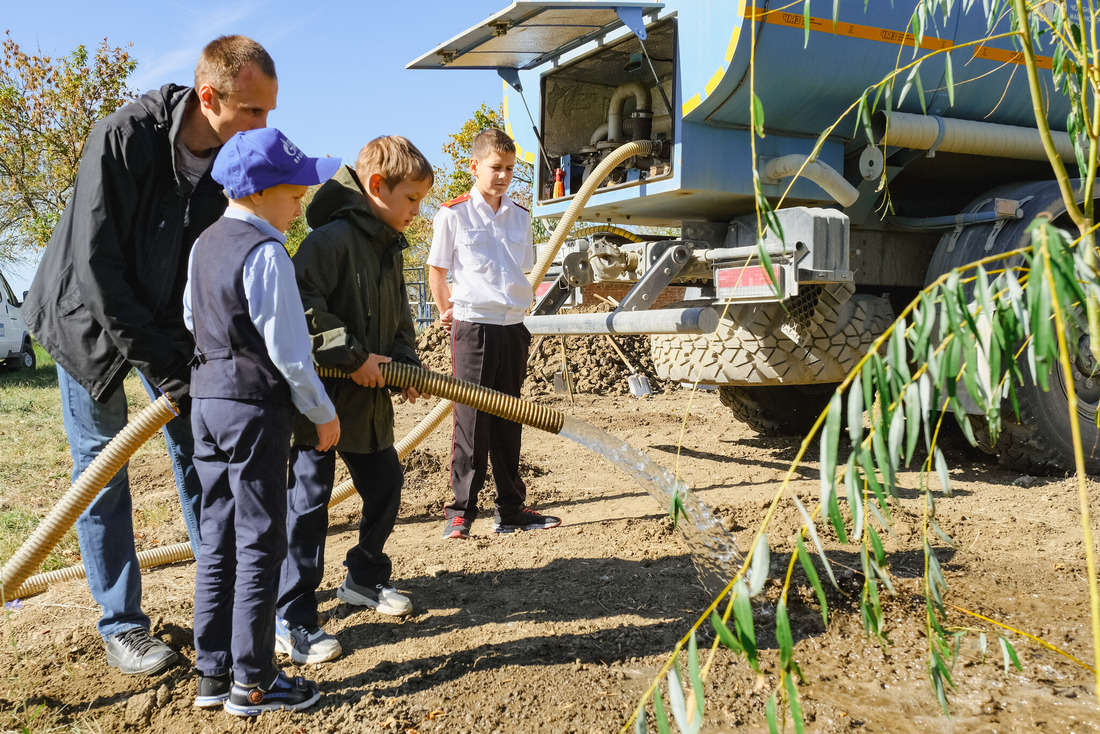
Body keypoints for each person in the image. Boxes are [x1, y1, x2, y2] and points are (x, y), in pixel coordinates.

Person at [22, 36, 278, 676]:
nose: (262, 127)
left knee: (202, 445)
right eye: (251, 112)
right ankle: (123, 624)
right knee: (102, 468)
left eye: (268, 112)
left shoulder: (228, 165)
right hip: (86, 318)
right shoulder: (123, 138)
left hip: (165, 318)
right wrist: (166, 369)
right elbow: (98, 267)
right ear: (210, 97)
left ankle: (220, 599)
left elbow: (213, 258)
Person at [185, 127, 341, 714]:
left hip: (207, 405)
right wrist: (322, 415)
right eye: (295, 193)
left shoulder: (205, 246)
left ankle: (212, 673)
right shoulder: (265, 251)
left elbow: (190, 316)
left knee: (217, 536)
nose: (300, 203)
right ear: (260, 191)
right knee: (260, 541)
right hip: (254, 408)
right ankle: (253, 682)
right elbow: (291, 352)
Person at [274, 136, 431, 664]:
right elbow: (302, 307)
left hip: (367, 404)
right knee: (308, 507)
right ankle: (291, 615)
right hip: (316, 401)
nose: (417, 211)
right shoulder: (329, 241)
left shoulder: (389, 247)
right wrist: (353, 355)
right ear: (377, 186)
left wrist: (405, 366)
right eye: (411, 199)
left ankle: (363, 578)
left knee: (385, 483)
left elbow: (401, 323)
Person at [427, 128, 561, 540]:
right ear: (474, 166)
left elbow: (521, 268)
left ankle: (511, 509)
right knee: (470, 420)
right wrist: (445, 307)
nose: (503, 176)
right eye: (495, 168)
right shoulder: (454, 214)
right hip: (473, 328)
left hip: (513, 328)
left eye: (509, 168)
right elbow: (437, 268)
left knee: (510, 419)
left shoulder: (521, 216)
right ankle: (460, 513)